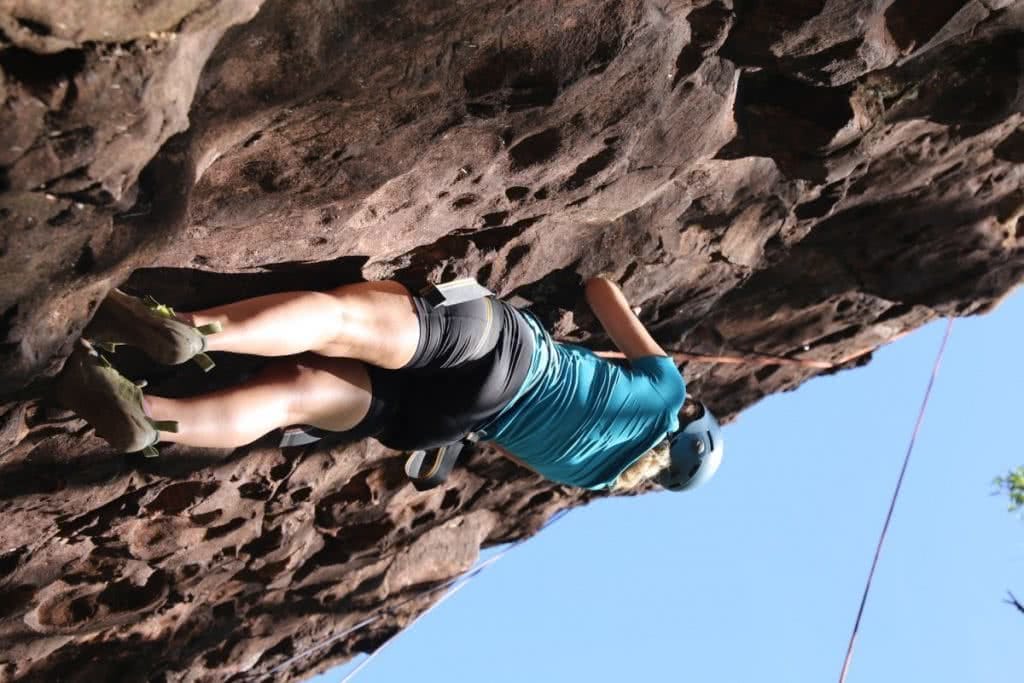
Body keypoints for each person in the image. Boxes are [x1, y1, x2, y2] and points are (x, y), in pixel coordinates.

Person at [54, 277, 723, 492]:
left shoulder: (665, 390)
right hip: (446, 423)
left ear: (689, 417)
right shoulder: (592, 482)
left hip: (503, 348)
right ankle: (149, 415)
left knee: (341, 318)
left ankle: (193, 331)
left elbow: (601, 290)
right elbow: (510, 445)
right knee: (295, 392)